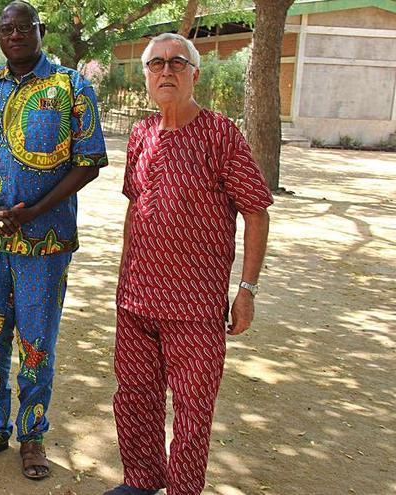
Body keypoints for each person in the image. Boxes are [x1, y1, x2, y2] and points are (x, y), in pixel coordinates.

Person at [104, 33, 272, 495]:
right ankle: (141, 479)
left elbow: (256, 211)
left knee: (194, 410)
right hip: (137, 299)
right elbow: (135, 209)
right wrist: (123, 279)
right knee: (135, 398)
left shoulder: (221, 135)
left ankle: (182, 489)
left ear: (195, 74)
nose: (166, 71)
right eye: (156, 64)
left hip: (195, 305)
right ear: (146, 77)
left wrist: (247, 290)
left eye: (177, 63)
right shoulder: (140, 134)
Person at [0, 1, 107, 480]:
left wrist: (35, 210)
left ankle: (32, 434)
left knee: (37, 339)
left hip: (47, 238)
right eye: (6, 29)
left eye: (23, 27)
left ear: (42, 30)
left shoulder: (71, 87)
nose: (14, 35)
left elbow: (89, 159)